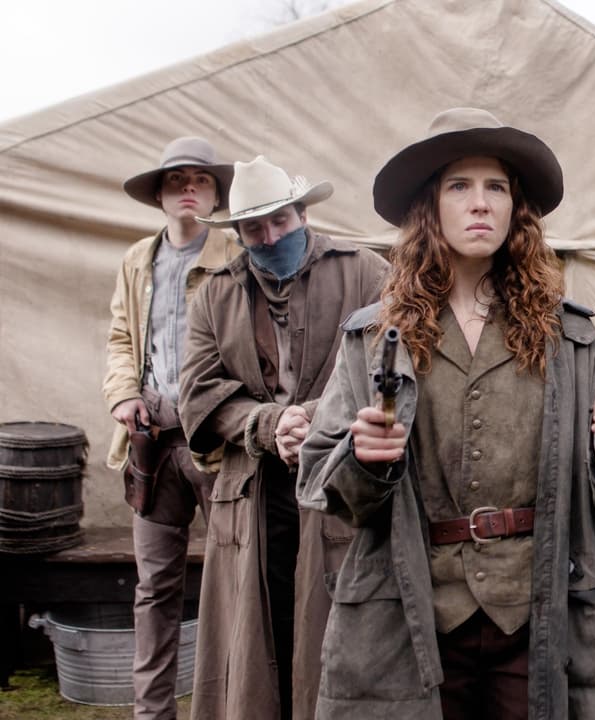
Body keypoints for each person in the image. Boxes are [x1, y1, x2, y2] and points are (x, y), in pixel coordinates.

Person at [296, 107, 595, 720]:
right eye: (459, 186)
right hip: (411, 612)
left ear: (515, 209)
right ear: (430, 207)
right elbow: (320, 478)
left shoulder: (571, 339)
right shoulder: (373, 339)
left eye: (496, 188)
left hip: (537, 613)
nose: (480, 203)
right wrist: (364, 459)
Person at [178, 156, 388, 720]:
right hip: (254, 492)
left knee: (335, 633)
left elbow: (390, 363)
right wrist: (269, 425)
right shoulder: (215, 295)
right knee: (258, 640)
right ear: (238, 233)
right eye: (254, 228)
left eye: (280, 221)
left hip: (343, 484)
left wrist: (312, 419)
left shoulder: (365, 272)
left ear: (302, 214)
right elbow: (197, 391)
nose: (270, 237)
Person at [104, 136, 239, 720]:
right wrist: (122, 393)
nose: (189, 188)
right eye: (177, 179)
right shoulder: (138, 259)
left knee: (235, 585)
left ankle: (233, 705)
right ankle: (152, 712)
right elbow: (120, 338)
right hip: (153, 442)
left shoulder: (239, 254)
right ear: (159, 195)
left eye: (201, 179)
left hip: (222, 441)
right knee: (155, 587)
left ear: (215, 194)